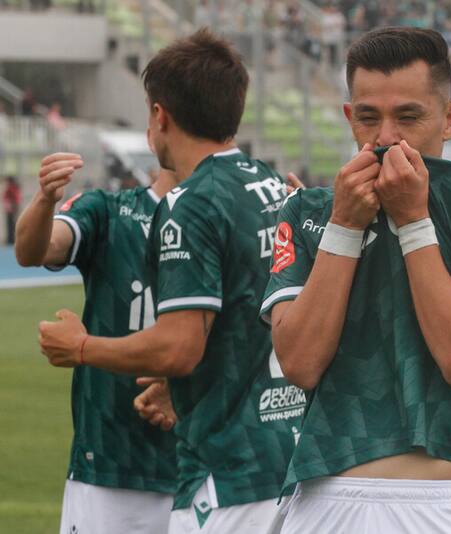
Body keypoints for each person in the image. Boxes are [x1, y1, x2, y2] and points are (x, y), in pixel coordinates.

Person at [261, 27, 451, 533]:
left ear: (449, 118)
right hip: (324, 499)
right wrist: (343, 227)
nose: (386, 137)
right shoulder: (306, 212)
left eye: (408, 116)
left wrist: (414, 221)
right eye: (368, 116)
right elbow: (299, 362)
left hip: (441, 503)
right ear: (349, 118)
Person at [37, 29, 303, 534]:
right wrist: (182, 387)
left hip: (226, 476)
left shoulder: (192, 203)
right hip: (284, 462)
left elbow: (179, 349)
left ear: (160, 116)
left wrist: (83, 347)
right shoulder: (271, 185)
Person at [15, 151, 179, 533]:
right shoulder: (109, 211)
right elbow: (33, 250)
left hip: (207, 473)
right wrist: (44, 199)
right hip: (110, 470)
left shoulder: (231, 215)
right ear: (158, 126)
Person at [3, 175, 21, 244]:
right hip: (12, 208)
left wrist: (12, 206)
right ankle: (11, 239)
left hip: (12, 208)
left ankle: (11, 239)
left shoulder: (11, 188)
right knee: (12, 224)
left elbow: (14, 198)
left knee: (11, 224)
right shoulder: (14, 187)